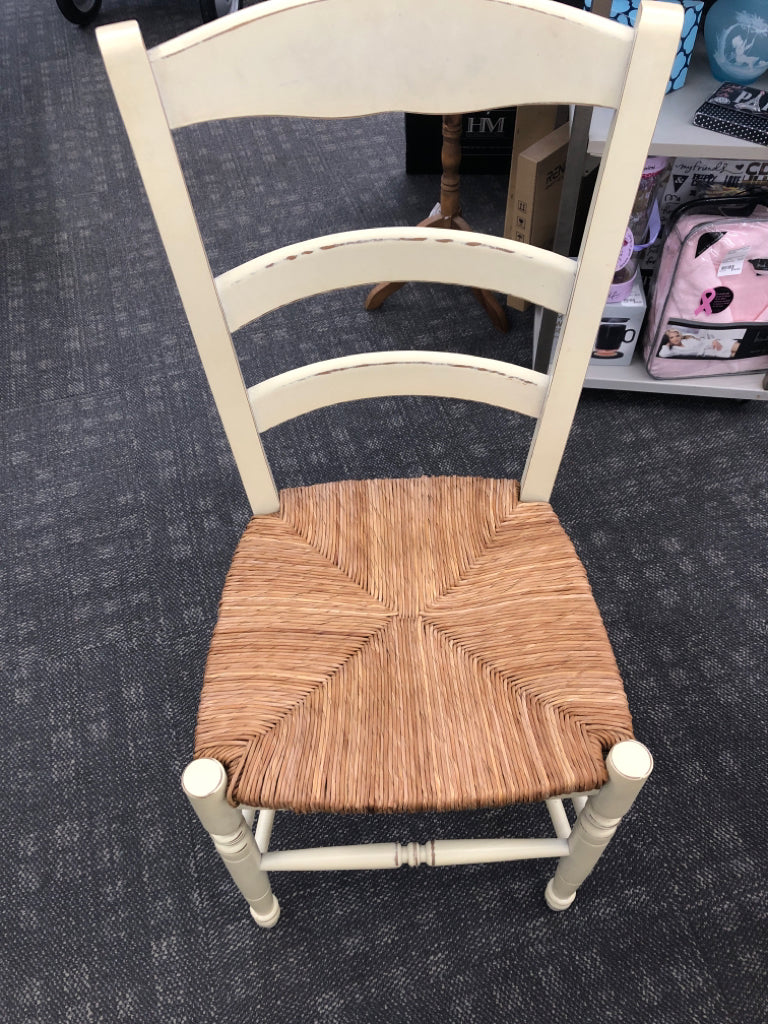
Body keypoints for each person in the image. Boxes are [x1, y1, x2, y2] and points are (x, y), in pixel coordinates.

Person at [658, 327, 740, 359]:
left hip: (716, 343)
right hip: (712, 352)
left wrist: (713, 341)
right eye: (672, 337)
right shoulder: (674, 350)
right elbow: (662, 354)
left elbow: (702, 340)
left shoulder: (687, 337)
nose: (675, 338)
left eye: (677, 336)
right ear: (668, 340)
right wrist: (668, 344)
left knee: (742, 348)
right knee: (741, 355)